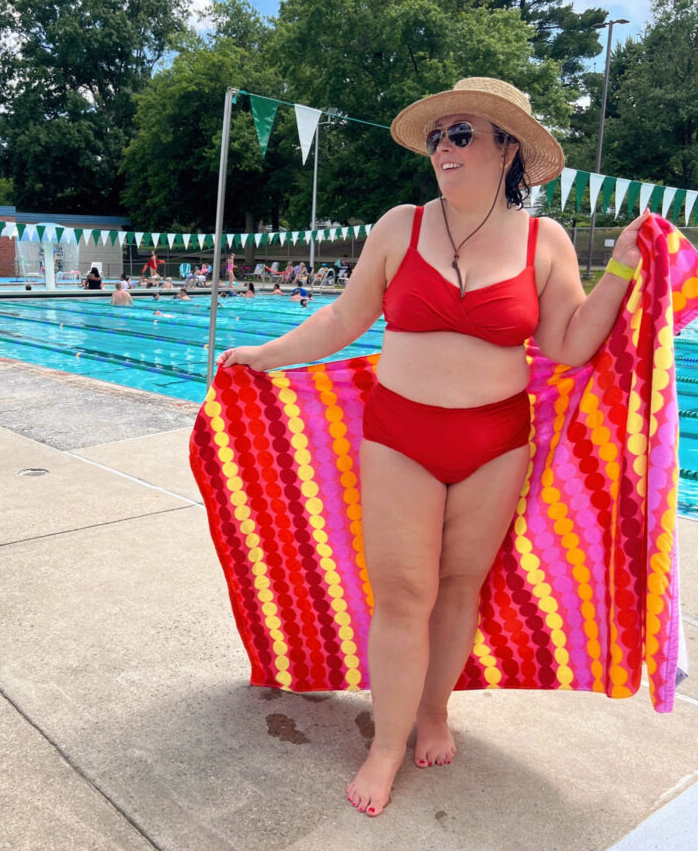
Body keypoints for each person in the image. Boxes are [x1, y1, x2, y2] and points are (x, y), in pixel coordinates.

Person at [215, 77, 646, 817]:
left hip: (497, 441)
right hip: (401, 434)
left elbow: (570, 344)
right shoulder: (400, 226)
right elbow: (345, 318)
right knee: (404, 595)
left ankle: (435, 710)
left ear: (507, 145)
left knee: (456, 590)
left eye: (462, 134)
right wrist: (270, 353)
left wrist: (628, 265)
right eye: (438, 135)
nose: (444, 148)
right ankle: (385, 744)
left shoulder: (546, 242)